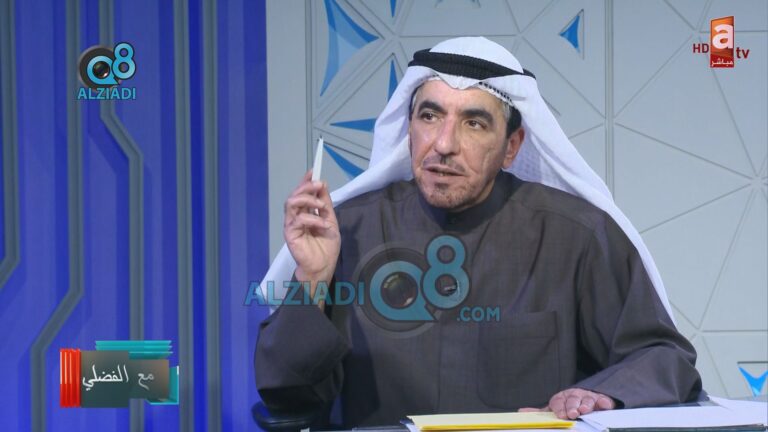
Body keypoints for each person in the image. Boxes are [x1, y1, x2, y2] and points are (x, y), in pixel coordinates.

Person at [254, 37, 702, 427]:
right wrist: (312, 279)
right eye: (430, 116)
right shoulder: (348, 230)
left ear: (511, 147)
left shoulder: (578, 236)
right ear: (408, 130)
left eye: (474, 123)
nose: (444, 144)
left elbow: (665, 358)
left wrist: (604, 392)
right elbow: (286, 395)